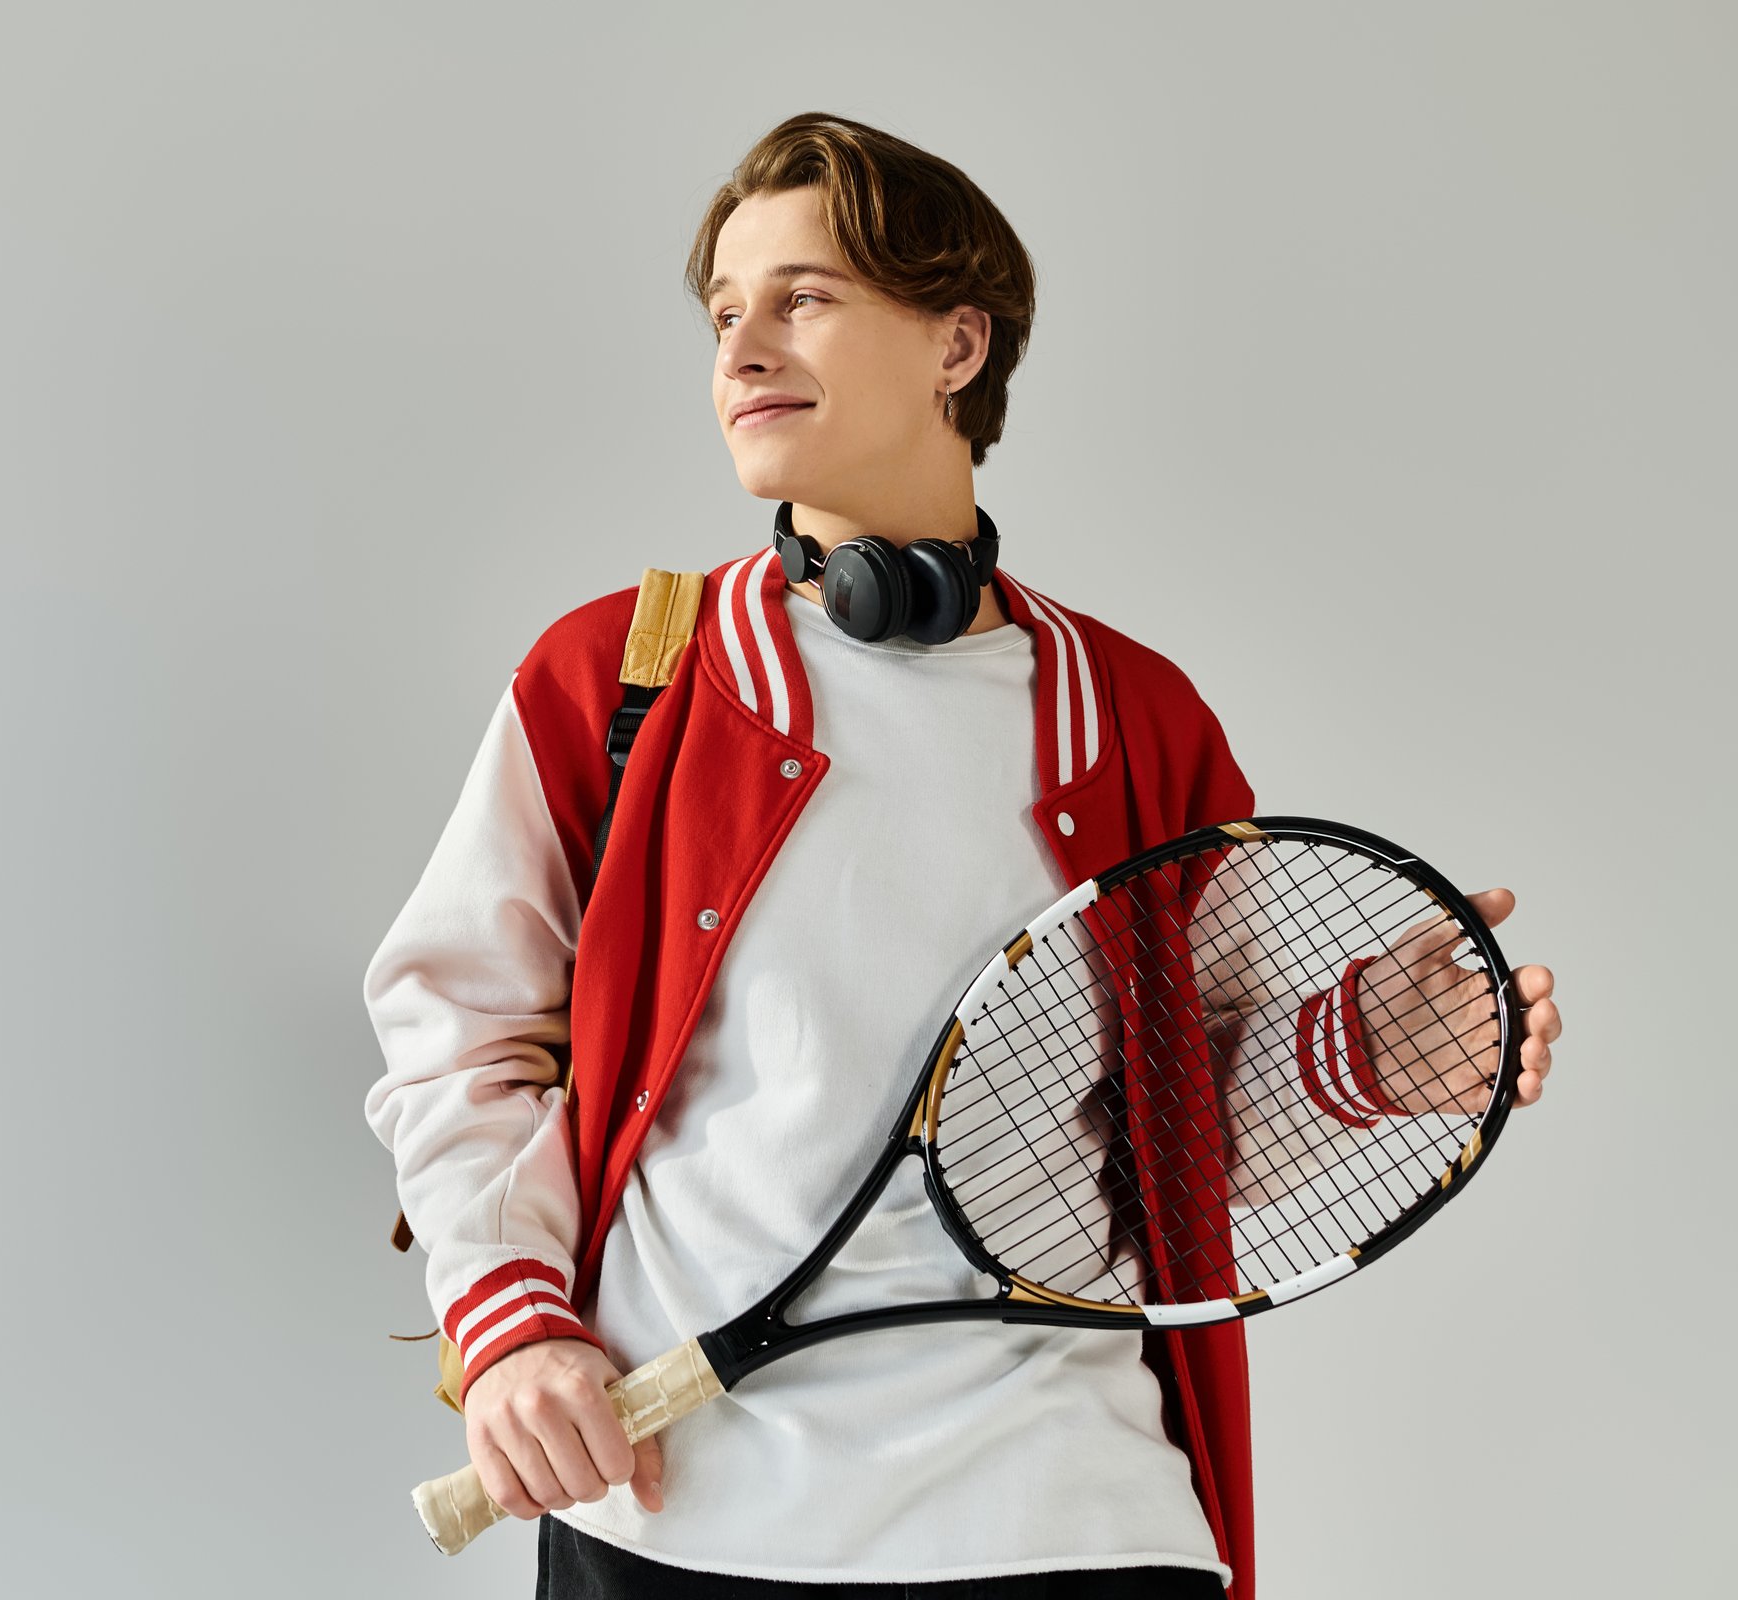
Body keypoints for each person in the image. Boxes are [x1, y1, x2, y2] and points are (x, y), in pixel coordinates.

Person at [361, 112, 1561, 1600]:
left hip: (1071, 1517)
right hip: (680, 1518)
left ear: (957, 345)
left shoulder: (1136, 719)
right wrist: (515, 1324)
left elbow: (1196, 1140)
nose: (742, 348)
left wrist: (1371, 1063)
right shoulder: (625, 675)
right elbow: (456, 1034)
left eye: (805, 297)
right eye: (725, 311)